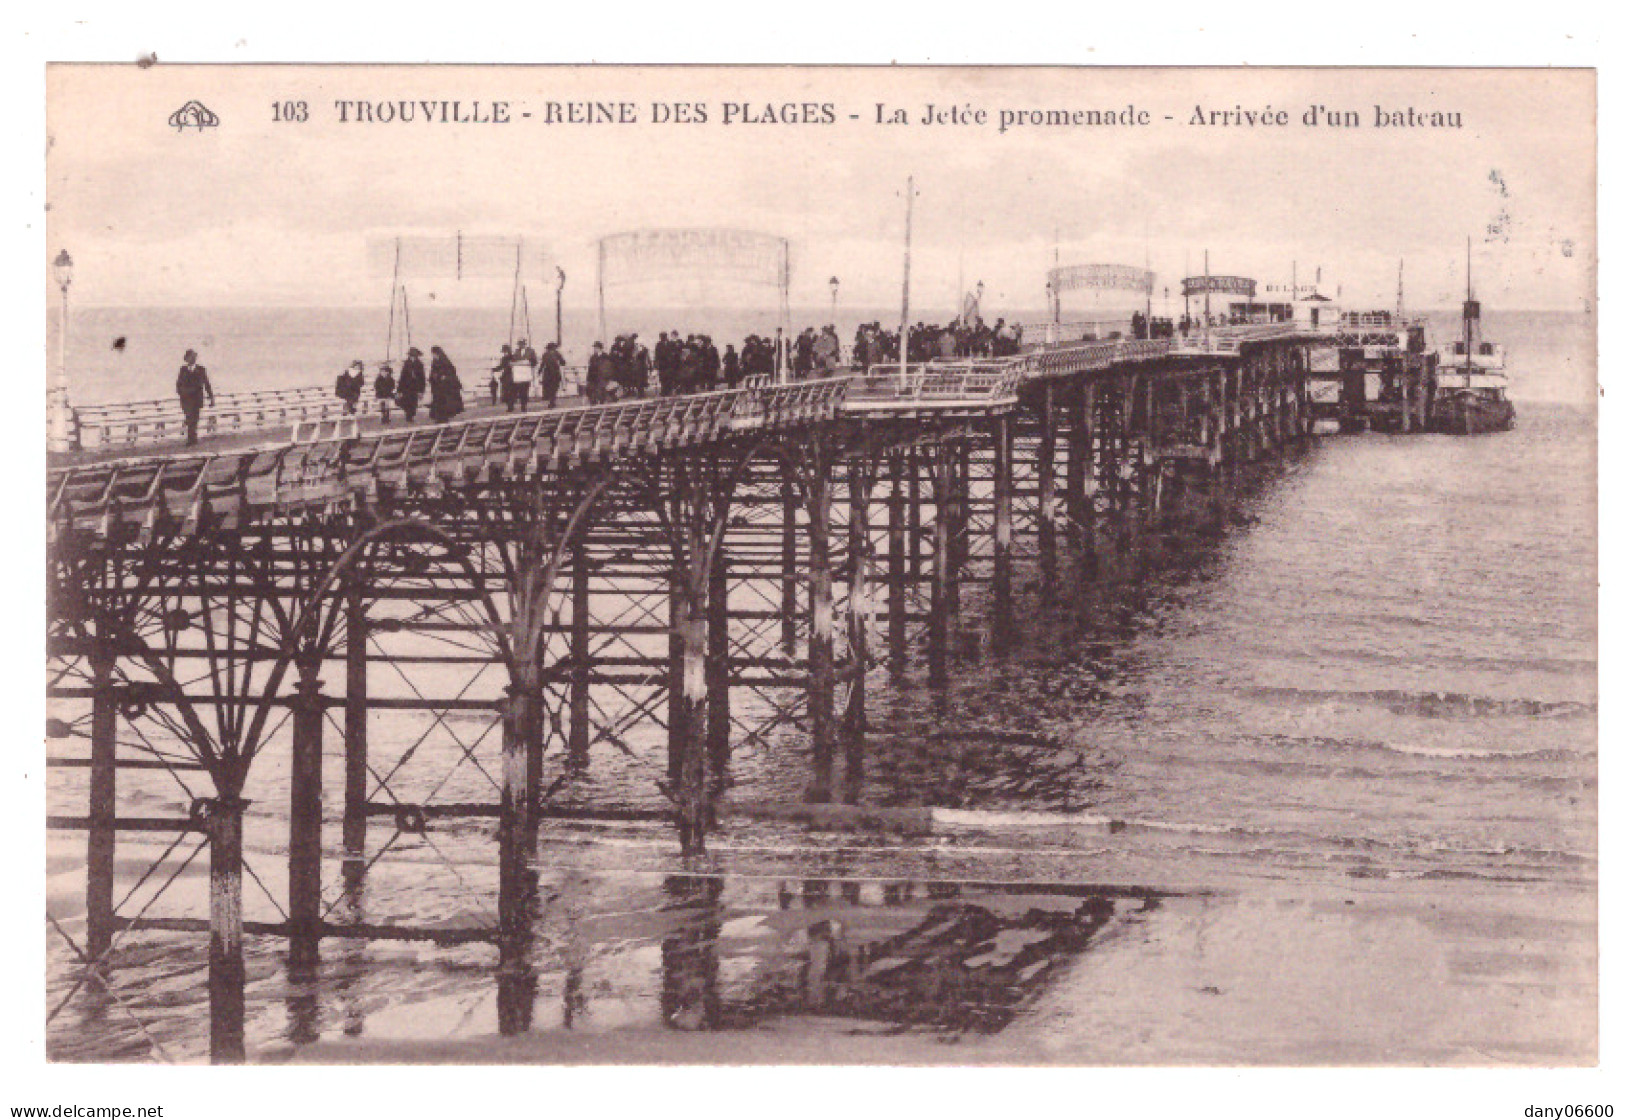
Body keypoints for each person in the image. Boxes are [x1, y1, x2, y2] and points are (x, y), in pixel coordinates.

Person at [176, 348, 214, 446]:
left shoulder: (201, 369)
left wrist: (211, 398)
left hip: (197, 399)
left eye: (194, 357)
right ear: (186, 359)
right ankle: (191, 439)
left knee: (195, 419)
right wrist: (182, 393)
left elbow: (207, 384)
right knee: (189, 418)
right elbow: (178, 384)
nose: (192, 359)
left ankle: (192, 439)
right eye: (190, 357)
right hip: (186, 400)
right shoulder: (183, 370)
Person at [428, 345, 463, 422]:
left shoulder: (445, 361)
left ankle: (443, 419)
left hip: (445, 388)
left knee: (444, 404)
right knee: (438, 403)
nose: (433, 356)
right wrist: (432, 378)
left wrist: (444, 376)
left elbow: (451, 372)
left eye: (434, 354)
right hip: (438, 387)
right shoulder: (434, 362)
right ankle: (440, 419)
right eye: (433, 354)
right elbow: (433, 373)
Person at [397, 346, 426, 422]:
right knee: (406, 402)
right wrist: (399, 390)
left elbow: (422, 378)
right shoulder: (406, 364)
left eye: (414, 356)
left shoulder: (420, 365)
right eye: (411, 356)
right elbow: (402, 377)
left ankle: (411, 415)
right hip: (406, 387)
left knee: (413, 402)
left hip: (415, 387)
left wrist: (421, 391)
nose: (412, 357)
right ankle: (408, 415)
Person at [540, 342, 565, 408]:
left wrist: (539, 372)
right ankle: (552, 402)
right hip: (555, 373)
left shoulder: (545, 354)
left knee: (549, 388)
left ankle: (551, 401)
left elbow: (542, 364)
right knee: (554, 388)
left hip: (547, 374)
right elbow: (563, 362)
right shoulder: (557, 354)